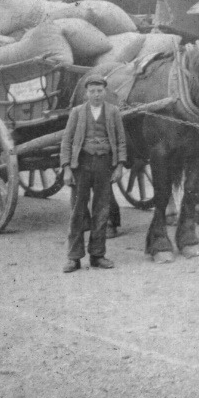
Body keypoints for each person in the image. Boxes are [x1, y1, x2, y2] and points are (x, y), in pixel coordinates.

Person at [60, 74, 127, 273]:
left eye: (99, 91)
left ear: (104, 92)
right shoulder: (77, 112)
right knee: (77, 211)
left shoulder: (113, 112)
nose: (96, 95)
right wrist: (66, 168)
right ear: (86, 93)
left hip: (104, 165)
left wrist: (120, 165)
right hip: (81, 164)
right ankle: (74, 258)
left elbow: (121, 141)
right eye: (92, 91)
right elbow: (66, 141)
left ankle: (98, 255)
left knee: (101, 211)